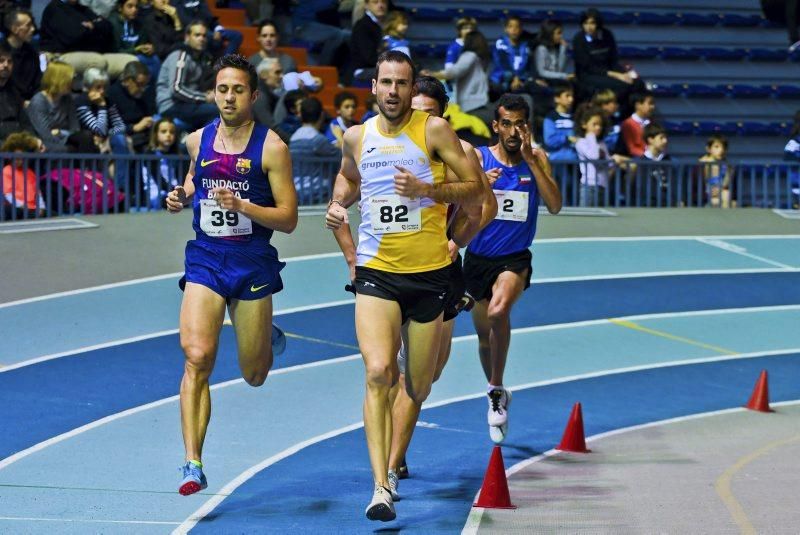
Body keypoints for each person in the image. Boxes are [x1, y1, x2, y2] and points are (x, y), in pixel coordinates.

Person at [324, 50, 484, 522]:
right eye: (385, 82)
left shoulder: (433, 131)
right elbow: (349, 179)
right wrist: (338, 205)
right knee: (377, 372)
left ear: (412, 90)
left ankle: (392, 463)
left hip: (431, 276)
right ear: (372, 87)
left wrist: (427, 191)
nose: (393, 91)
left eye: (402, 84)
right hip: (377, 273)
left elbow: (475, 190)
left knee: (418, 382)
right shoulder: (356, 137)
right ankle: (381, 485)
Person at [165, 53, 297, 496]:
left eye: (238, 89)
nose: (229, 97)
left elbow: (289, 218)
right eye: (222, 89)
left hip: (251, 262)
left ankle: (266, 336)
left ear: (253, 95)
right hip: (206, 257)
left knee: (254, 373)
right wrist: (181, 195)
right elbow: (192, 180)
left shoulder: (272, 147)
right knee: (197, 356)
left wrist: (243, 206)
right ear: (212, 93)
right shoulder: (196, 140)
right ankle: (192, 462)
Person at [385, 75, 497, 497]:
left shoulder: (460, 153)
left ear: (444, 117)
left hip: (442, 270)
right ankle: (392, 461)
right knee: (394, 368)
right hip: (394, 266)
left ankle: (397, 440)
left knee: (429, 371)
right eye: (417, 111)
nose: (422, 120)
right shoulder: (387, 145)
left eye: (430, 113)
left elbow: (485, 205)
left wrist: (455, 242)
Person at [464, 93, 561, 443]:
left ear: (528, 127)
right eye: (507, 123)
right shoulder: (479, 157)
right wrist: (480, 187)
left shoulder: (539, 159)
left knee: (498, 310)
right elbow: (459, 202)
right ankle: (498, 389)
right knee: (483, 338)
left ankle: (493, 387)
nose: (514, 131)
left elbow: (554, 205)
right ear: (496, 126)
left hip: (514, 257)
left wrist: (533, 163)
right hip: (477, 259)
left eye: (520, 124)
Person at [572, 8, 644, 105]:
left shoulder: (607, 35)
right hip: (589, 75)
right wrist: (617, 75)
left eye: (592, 23)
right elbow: (588, 67)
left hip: (609, 71)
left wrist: (624, 74)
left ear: (598, 23)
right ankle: (612, 110)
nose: (589, 27)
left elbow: (613, 60)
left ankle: (628, 114)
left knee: (638, 83)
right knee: (622, 86)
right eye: (585, 23)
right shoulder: (578, 40)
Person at [156, 21, 218, 130]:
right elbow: (176, 89)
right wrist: (204, 97)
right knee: (218, 111)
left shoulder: (199, 58)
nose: (201, 39)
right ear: (187, 37)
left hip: (186, 104)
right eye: (197, 35)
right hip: (171, 105)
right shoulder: (181, 56)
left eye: (204, 36)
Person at [423, 30, 493, 126]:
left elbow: (455, 72)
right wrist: (434, 74)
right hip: (476, 105)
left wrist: (432, 74)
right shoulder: (475, 57)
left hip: (474, 105)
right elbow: (455, 71)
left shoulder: (473, 57)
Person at [574, 103, 628, 206]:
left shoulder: (601, 144)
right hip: (589, 186)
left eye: (600, 125)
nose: (598, 128)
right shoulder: (581, 142)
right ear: (584, 124)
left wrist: (614, 159)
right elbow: (594, 156)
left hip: (603, 186)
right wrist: (590, 135)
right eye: (594, 124)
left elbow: (608, 163)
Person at [107, 60, 156, 153]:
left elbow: (150, 114)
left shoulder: (145, 93)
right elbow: (110, 128)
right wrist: (134, 127)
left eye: (145, 85)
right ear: (128, 80)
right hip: (121, 134)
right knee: (120, 139)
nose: (142, 89)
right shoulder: (112, 94)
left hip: (142, 135)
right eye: (140, 84)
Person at [2, 131, 46, 219]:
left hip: (32, 208)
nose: (20, 161)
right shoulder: (6, 170)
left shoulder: (30, 172)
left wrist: (41, 207)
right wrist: (21, 206)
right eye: (17, 158)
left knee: (54, 216)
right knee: (9, 210)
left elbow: (38, 193)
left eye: (22, 158)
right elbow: (7, 194)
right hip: (18, 208)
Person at [1, 9, 40, 101]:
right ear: (14, 29)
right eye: (28, 25)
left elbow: (37, 83)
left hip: (30, 102)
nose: (33, 29)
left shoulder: (32, 52)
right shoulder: (1, 53)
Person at [0, 40, 32, 143]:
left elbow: (26, 123)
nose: (6, 65)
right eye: (1, 61)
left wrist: (34, 140)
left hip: (17, 143)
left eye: (9, 61)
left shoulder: (15, 91)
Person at [490, 16, 530, 95]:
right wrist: (514, 78)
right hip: (501, 78)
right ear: (505, 29)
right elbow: (502, 64)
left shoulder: (525, 46)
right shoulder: (500, 44)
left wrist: (519, 78)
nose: (514, 30)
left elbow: (526, 66)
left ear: (521, 29)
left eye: (517, 27)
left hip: (520, 79)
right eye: (510, 26)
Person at [350, 0, 386, 82]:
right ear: (366, 5)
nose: (380, 5)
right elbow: (369, 58)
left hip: (379, 67)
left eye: (383, 2)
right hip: (363, 70)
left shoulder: (388, 24)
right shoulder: (362, 26)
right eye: (375, 2)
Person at [640, 122, 673, 206]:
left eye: (665, 138)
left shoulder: (669, 161)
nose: (665, 141)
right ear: (650, 139)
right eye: (661, 138)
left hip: (668, 207)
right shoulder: (640, 163)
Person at [543, 83, 576, 161]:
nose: (571, 99)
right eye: (567, 96)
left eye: (572, 96)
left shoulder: (575, 117)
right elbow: (549, 140)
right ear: (557, 99)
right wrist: (567, 139)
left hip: (575, 157)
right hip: (557, 158)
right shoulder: (550, 118)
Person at [534, 19, 573, 86]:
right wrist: (564, 76)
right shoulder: (541, 49)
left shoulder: (555, 48)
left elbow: (559, 69)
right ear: (550, 34)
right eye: (558, 33)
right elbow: (542, 72)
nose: (561, 36)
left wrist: (563, 49)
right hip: (542, 81)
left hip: (554, 80)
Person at [699, 134, 732, 208]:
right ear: (708, 149)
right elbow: (695, 188)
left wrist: (720, 189)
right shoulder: (700, 166)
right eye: (716, 147)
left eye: (723, 147)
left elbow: (728, 185)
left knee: (726, 195)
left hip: (721, 194)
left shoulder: (728, 166)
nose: (721, 150)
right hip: (705, 197)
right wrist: (708, 192)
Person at [620, 91, 655, 157]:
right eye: (650, 104)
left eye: (653, 104)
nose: (653, 107)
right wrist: (647, 157)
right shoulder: (628, 124)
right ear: (638, 105)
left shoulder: (652, 122)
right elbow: (631, 148)